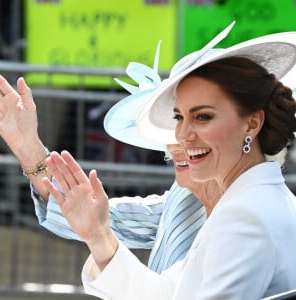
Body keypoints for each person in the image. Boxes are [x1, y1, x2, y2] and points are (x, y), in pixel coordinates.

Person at [33, 22, 296, 299]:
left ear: (251, 123)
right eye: (179, 117)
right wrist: (98, 236)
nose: (183, 135)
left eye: (203, 116)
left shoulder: (244, 215)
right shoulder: (260, 201)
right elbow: (170, 292)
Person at [0, 42, 212, 273]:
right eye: (174, 121)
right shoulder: (184, 200)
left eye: (204, 118)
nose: (179, 140)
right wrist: (27, 145)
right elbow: (96, 217)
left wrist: (99, 239)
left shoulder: (251, 206)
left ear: (251, 124)